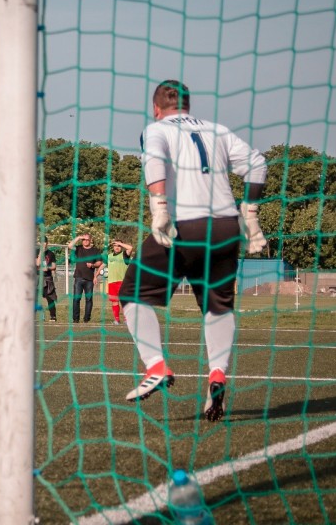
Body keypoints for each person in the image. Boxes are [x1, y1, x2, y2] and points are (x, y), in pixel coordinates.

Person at [119, 80, 267, 421]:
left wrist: (159, 208)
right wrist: (250, 214)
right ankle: (217, 374)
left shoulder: (157, 129)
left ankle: (156, 365)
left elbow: (154, 161)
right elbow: (258, 163)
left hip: (184, 226)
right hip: (226, 227)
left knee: (132, 293)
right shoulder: (217, 130)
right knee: (218, 305)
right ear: (188, 105)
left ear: (156, 108)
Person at [67, 233, 103, 323]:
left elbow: (99, 262)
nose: (85, 241)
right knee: (76, 299)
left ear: (90, 240)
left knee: (89, 299)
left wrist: (93, 265)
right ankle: (76, 319)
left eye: (87, 239)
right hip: (78, 278)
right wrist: (79, 237)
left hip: (89, 279)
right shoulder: (78, 248)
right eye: (83, 239)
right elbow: (70, 246)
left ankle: (86, 319)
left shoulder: (95, 251)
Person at [105, 240, 133, 325]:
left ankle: (127, 319)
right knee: (114, 301)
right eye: (115, 245)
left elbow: (130, 248)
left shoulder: (124, 254)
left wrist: (120, 243)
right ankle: (116, 320)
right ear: (113, 247)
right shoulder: (109, 256)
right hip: (111, 282)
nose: (117, 247)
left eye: (119, 246)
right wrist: (96, 274)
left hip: (122, 282)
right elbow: (103, 264)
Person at [36, 240, 58, 322]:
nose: (43, 244)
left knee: (50, 298)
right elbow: (37, 264)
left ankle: (53, 316)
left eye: (45, 242)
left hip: (47, 278)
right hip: (37, 278)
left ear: (47, 243)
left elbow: (54, 266)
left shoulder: (51, 253)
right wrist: (40, 253)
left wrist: (48, 268)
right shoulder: (36, 252)